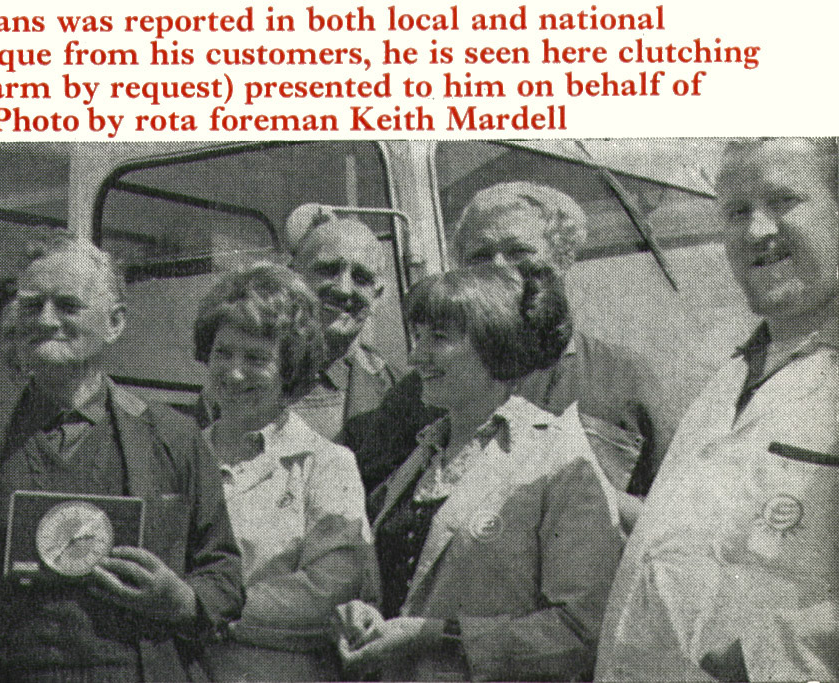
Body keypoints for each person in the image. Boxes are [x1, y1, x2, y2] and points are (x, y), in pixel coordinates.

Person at [0, 238, 242, 681]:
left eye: (67, 305)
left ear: (115, 323)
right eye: (31, 305)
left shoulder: (176, 440)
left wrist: (180, 600)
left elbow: (223, 573)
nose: (45, 320)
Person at [596, 137, 838, 682]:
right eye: (736, 212)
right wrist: (596, 500)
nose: (756, 231)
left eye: (783, 201)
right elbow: (715, 536)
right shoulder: (734, 373)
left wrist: (756, 659)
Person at [339, 262, 624, 681]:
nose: (416, 356)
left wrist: (438, 636)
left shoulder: (558, 460)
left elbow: (583, 632)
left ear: (495, 344)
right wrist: (365, 614)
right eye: (417, 338)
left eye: (439, 338)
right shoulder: (419, 459)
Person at [344, 181, 669, 523]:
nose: (498, 266)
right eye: (480, 256)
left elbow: (680, 523)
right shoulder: (420, 391)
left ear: (561, 260)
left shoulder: (622, 378)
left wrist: (572, 490)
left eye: (519, 252)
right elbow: (365, 510)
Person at [192, 262, 377, 681]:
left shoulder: (326, 464)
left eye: (257, 358)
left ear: (289, 368)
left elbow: (329, 593)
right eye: (223, 352)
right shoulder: (177, 454)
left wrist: (196, 604)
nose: (234, 372)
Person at [281, 204, 402, 441]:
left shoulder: (399, 391)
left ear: (376, 297)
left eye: (361, 277)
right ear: (292, 280)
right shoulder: (240, 378)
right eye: (328, 270)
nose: (344, 290)